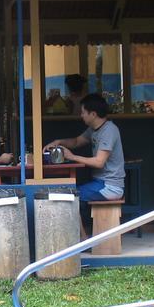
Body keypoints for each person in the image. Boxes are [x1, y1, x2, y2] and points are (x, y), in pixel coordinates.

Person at [43, 93, 124, 232]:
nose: (81, 115)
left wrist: (72, 157)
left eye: (83, 112)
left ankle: (82, 238)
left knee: (70, 195)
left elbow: (99, 162)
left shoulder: (109, 130)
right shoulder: (94, 129)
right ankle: (81, 237)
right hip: (100, 183)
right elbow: (76, 141)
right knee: (72, 193)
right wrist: (59, 141)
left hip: (110, 186)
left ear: (93, 114)